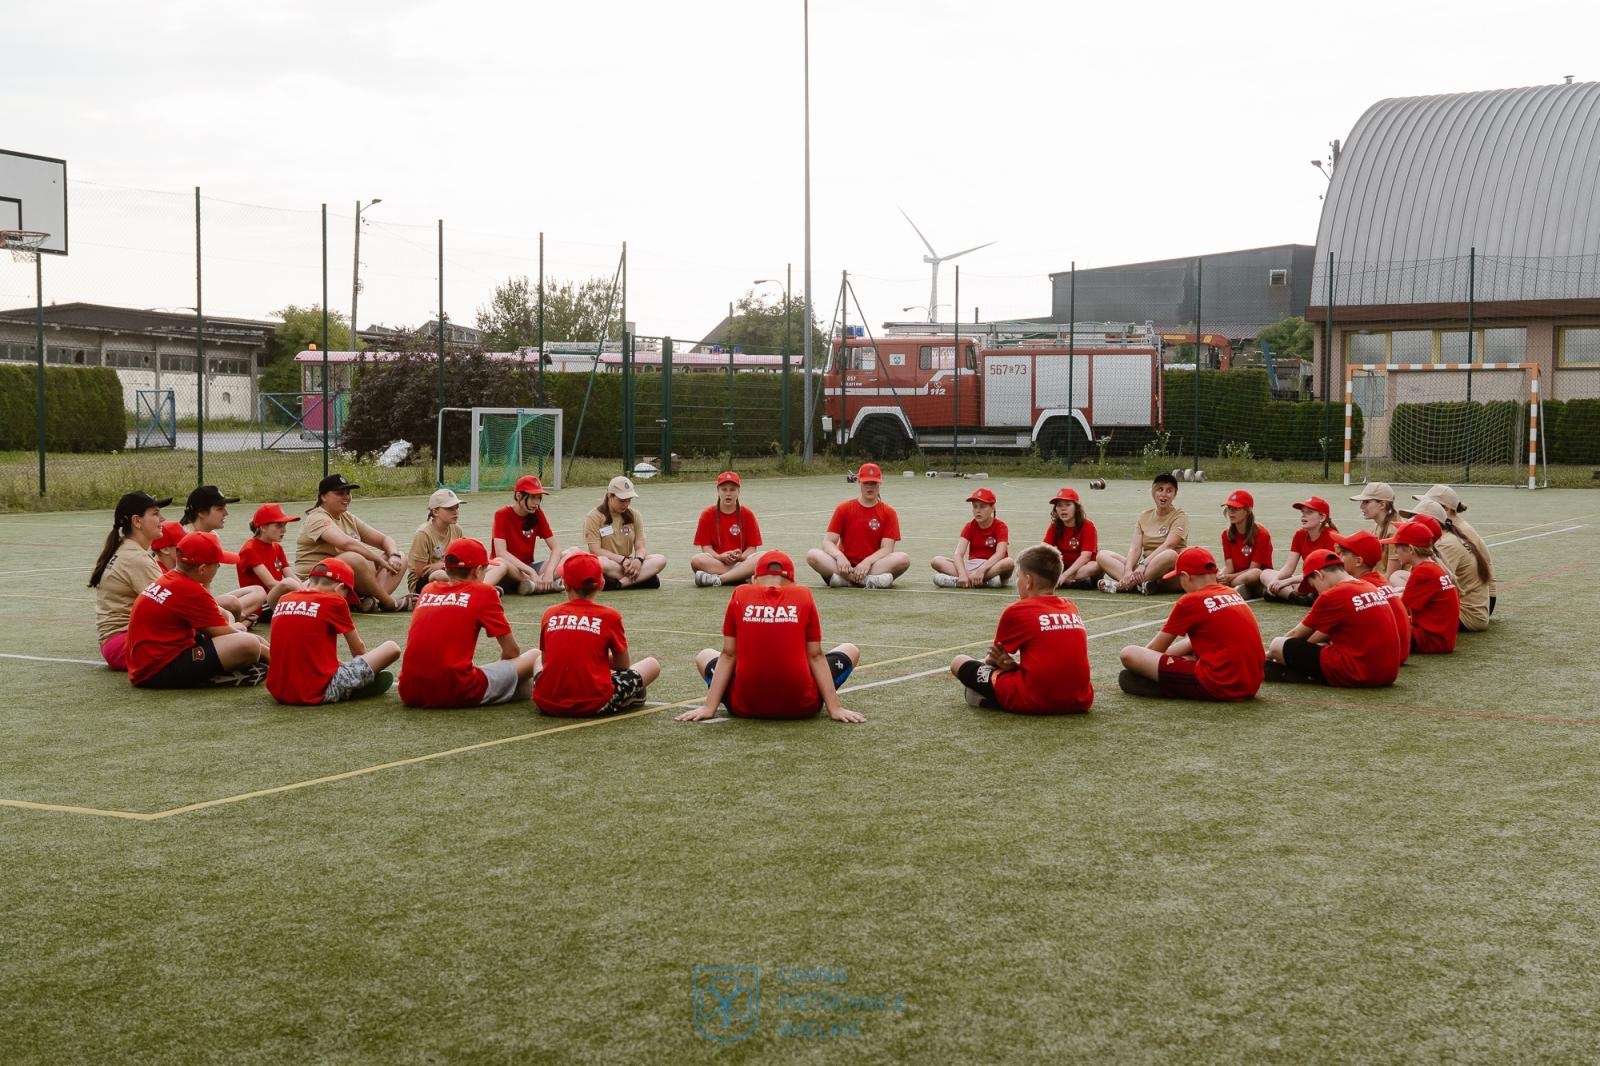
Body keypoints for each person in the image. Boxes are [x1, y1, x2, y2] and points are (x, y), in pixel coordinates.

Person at [676, 551, 863, 723]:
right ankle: (825, 700)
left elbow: (729, 655)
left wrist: (709, 708)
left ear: (754, 578)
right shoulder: (803, 595)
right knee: (850, 649)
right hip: (802, 706)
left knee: (705, 655)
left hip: (744, 706)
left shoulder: (740, 594)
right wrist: (835, 709)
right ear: (792, 581)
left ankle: (717, 701)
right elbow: (815, 655)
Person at [949, 544, 1094, 714]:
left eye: (1018, 577)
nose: (1017, 582)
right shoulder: (1071, 607)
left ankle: (991, 700)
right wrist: (1013, 667)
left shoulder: (1018, 610)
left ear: (1028, 581)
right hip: (1080, 700)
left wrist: (1004, 666)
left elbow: (991, 660)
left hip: (1035, 700)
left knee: (959, 661)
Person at [397, 538, 541, 708]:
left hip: (409, 691)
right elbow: (511, 651)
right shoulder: (484, 592)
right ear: (478, 571)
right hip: (457, 690)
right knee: (534, 655)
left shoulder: (428, 590)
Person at [1117, 546, 1264, 701]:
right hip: (1251, 683)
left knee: (1129, 655)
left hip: (1221, 684)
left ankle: (1169, 685)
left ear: (1185, 577)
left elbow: (1154, 649)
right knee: (1186, 654)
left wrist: (1150, 665)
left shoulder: (1191, 601)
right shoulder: (1232, 593)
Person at [126, 533, 270, 688]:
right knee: (249, 644)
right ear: (202, 569)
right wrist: (269, 654)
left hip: (148, 665)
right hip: (157, 671)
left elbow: (223, 621)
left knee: (241, 632)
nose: (218, 568)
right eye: (217, 564)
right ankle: (214, 677)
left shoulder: (173, 579)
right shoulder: (189, 589)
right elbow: (227, 635)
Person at [532, 552, 662, 717]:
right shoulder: (610, 616)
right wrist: (595, 661)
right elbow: (623, 665)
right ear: (601, 584)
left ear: (565, 583)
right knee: (652, 664)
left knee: (537, 658)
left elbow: (545, 661)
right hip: (593, 704)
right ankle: (629, 697)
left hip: (546, 702)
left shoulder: (550, 613)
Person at [265, 558, 401, 705]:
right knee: (391, 648)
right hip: (316, 691)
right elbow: (358, 649)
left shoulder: (284, 599)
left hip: (279, 691)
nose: (346, 599)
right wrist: (364, 673)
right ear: (340, 588)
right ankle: (355, 687)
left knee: (334, 662)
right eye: (346, 594)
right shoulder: (335, 601)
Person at [1265, 549, 1400, 688]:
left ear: (1319, 575)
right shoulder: (1369, 586)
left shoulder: (1333, 595)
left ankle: (1297, 673)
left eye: (1314, 586)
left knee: (1278, 645)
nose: (1317, 592)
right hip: (1388, 673)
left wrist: (1268, 655)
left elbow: (1295, 635)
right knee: (1321, 644)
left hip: (1360, 673)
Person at [295, 473, 406, 612]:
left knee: (400, 557)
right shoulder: (317, 517)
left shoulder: (346, 516)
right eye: (340, 493)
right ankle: (388, 603)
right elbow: (346, 544)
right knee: (352, 558)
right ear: (323, 497)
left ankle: (372, 601)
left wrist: (394, 555)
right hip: (317, 581)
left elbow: (384, 539)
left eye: (348, 493)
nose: (346, 497)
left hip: (344, 580)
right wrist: (378, 560)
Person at [90, 490, 172, 671]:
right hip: (126, 644)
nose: (162, 519)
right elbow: (174, 605)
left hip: (121, 641)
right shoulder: (135, 558)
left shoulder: (128, 549)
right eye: (155, 514)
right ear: (137, 521)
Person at [806, 463, 913, 589]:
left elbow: (887, 549)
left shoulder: (889, 512)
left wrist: (867, 562)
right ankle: (865, 581)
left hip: (872, 566)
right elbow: (828, 541)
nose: (870, 487)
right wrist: (840, 557)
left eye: (874, 483)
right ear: (858, 482)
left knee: (903, 559)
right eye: (866, 483)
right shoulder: (844, 508)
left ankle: (845, 581)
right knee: (812, 555)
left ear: (880, 483)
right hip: (844, 566)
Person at [1399, 496, 1490, 632]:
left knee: (1398, 587)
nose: (1411, 523)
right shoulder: (1451, 537)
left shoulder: (1445, 544)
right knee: (1399, 577)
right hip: (1474, 611)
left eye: (1415, 519)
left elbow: (1437, 584)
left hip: (1467, 616)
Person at [182, 484, 265, 622]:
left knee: (258, 591)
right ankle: (235, 620)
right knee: (232, 604)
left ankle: (233, 619)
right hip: (187, 605)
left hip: (203, 599)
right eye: (220, 509)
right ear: (201, 513)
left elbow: (205, 583)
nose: (226, 513)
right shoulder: (183, 539)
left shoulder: (212, 535)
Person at [1097, 473, 1188, 593]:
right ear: (1153, 492)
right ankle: (1142, 584)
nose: (1164, 494)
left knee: (1170, 554)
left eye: (1169, 491)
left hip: (1168, 571)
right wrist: (1128, 569)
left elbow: (1169, 545)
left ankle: (1120, 586)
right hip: (1146, 569)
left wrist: (1143, 565)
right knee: (1102, 555)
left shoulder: (1180, 516)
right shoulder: (1144, 516)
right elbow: (1135, 548)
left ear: (1175, 494)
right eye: (1160, 489)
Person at [1331, 529, 1410, 666]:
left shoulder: (1358, 587)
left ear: (1358, 561)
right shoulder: (1379, 579)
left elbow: (1324, 631)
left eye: (1343, 553)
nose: (1339, 557)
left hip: (1384, 655)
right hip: (1399, 651)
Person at [1416, 485, 1495, 615]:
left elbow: (1440, 578)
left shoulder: (1454, 535)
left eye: (1430, 504)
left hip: (1478, 601)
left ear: (1446, 509)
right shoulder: (1456, 527)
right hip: (1481, 597)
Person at [1382, 520, 1459, 654]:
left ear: (1411, 549)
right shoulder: (1431, 567)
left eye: (1397, 547)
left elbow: (1400, 608)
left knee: (1373, 627)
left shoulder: (1424, 571)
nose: (1395, 552)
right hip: (1439, 637)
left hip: (1431, 640)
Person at [582, 475, 667, 590]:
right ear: (610, 496)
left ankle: (619, 584)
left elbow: (640, 545)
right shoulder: (593, 517)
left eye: (629, 500)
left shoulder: (635, 514)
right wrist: (621, 560)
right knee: (600, 562)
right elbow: (595, 550)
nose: (626, 504)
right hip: (611, 564)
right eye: (622, 500)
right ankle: (642, 579)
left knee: (660, 559)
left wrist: (638, 560)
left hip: (628, 564)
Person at [406, 488, 484, 606]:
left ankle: (469, 589)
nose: (455, 512)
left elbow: (462, 558)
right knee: (440, 575)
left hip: (451, 571)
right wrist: (443, 566)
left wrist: (443, 564)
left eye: (457, 508)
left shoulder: (456, 529)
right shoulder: (423, 533)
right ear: (435, 512)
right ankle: (477, 589)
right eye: (450, 508)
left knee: (488, 567)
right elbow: (419, 572)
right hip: (424, 582)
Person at [690, 471, 765, 587]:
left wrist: (741, 557)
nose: (728, 494)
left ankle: (719, 579)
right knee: (697, 560)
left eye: (732, 490)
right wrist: (720, 557)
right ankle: (741, 576)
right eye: (724, 489)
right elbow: (706, 548)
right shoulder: (707, 514)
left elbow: (752, 548)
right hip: (718, 562)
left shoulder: (747, 514)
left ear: (738, 491)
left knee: (764, 556)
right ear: (718, 491)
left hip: (741, 562)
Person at [490, 475, 563, 595]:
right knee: (500, 561)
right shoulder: (502, 514)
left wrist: (549, 572)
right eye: (533, 497)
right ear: (519, 496)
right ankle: (540, 584)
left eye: (539, 498)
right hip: (510, 570)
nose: (536, 502)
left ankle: (537, 584)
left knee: (571, 553)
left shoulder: (537, 514)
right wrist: (531, 572)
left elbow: (556, 548)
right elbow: (501, 552)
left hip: (529, 568)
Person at [931, 487, 1015, 588]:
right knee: (936, 561)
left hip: (992, 566)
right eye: (975, 506)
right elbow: (958, 554)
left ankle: (959, 581)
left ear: (992, 507)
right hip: (972, 566)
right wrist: (962, 573)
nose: (978, 511)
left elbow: (1000, 553)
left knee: (1009, 562)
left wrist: (981, 570)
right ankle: (984, 581)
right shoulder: (969, 526)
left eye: (982, 506)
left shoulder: (1000, 526)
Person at [1264, 497, 1339, 605]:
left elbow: (1321, 573)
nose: (1303, 515)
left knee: (1300, 585)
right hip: (1306, 578)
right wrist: (1274, 581)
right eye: (1303, 512)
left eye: (1309, 512)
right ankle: (1296, 598)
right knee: (1265, 574)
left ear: (1322, 517)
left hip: (1322, 580)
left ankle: (1289, 595)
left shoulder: (1332, 537)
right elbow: (1289, 567)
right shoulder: (1300, 534)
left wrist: (1286, 582)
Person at [236, 503, 303, 619]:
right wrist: (304, 595)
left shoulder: (277, 547)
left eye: (284, 525)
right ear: (263, 527)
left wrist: (307, 589)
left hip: (276, 599)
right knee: (288, 583)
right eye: (278, 525)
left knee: (310, 582)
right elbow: (271, 583)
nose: (284, 530)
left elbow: (291, 575)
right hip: (262, 606)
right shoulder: (250, 549)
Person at [1217, 489, 1273, 599]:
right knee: (1213, 573)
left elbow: (1254, 569)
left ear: (1248, 510)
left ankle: (1228, 587)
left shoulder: (1262, 534)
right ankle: (1231, 587)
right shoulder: (1226, 534)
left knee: (1255, 573)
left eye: (1235, 508)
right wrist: (1221, 576)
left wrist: (1229, 578)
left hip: (1256, 579)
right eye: (1229, 508)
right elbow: (1229, 567)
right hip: (1236, 577)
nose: (1231, 512)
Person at [1042, 487, 1101, 589]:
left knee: (1096, 566)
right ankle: (1073, 582)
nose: (1063, 509)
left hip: (1083, 567)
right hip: (1064, 566)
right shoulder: (1055, 526)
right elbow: (1043, 548)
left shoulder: (1088, 526)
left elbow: (1085, 557)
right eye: (1059, 505)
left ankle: (1063, 580)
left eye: (1068, 505)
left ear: (1076, 508)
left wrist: (1065, 575)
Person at [1349, 482, 1401, 577]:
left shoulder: (1394, 531)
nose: (1361, 506)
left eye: (1366, 502)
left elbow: (1390, 576)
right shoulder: (1376, 527)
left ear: (1382, 505)